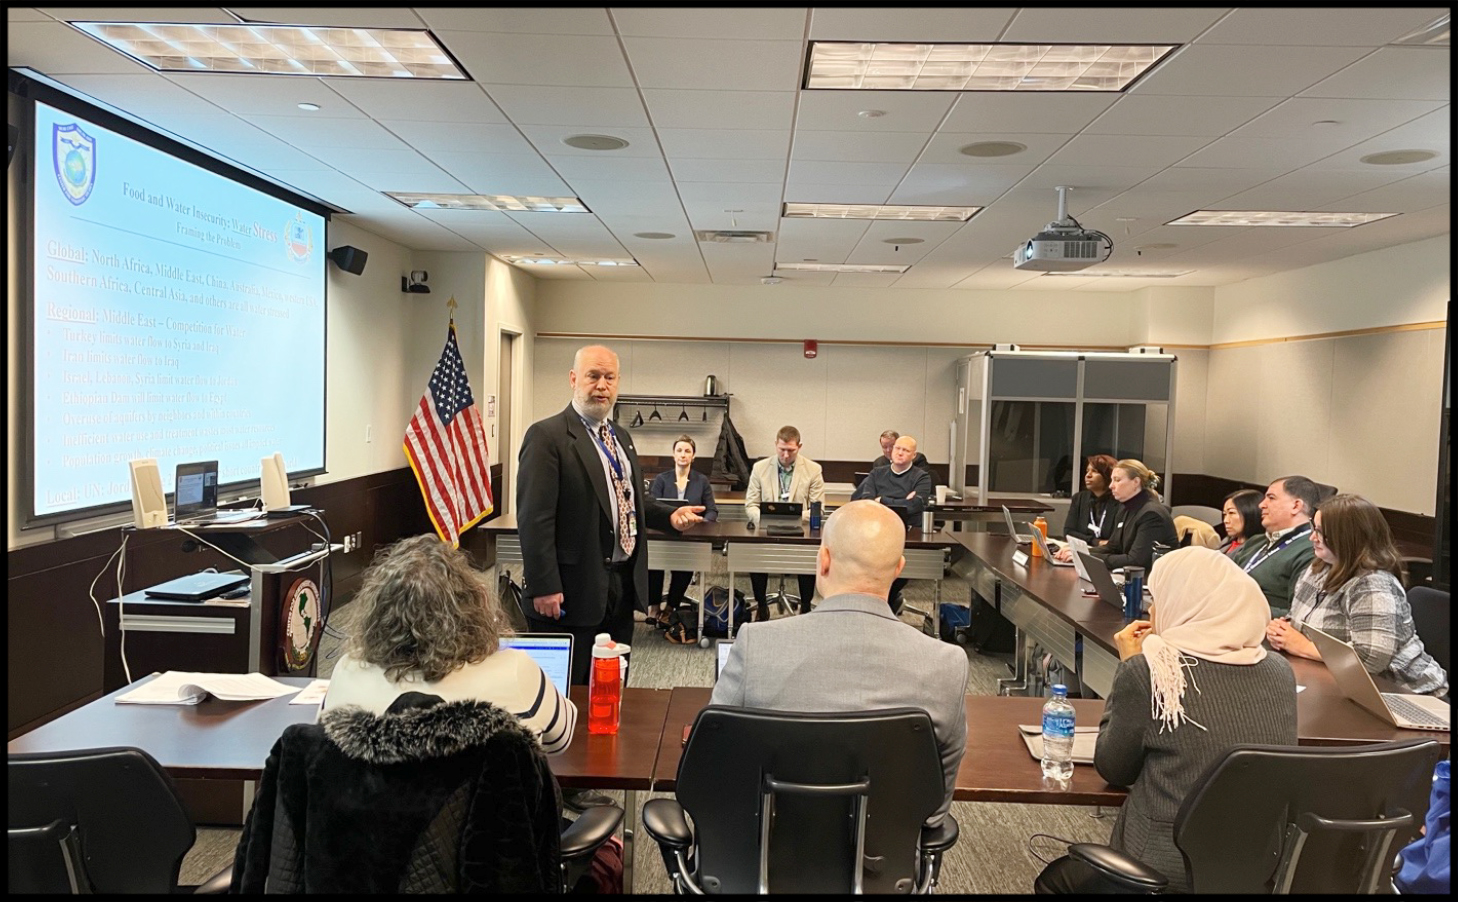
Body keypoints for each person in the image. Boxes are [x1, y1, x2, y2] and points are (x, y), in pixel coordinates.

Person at [1034, 547, 1298, 894]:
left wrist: (1130, 665)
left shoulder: (1151, 672)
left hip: (1159, 869)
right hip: (1253, 868)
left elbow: (1114, 768)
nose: (1152, 609)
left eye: (1157, 599)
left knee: (1055, 881)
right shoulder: (1280, 671)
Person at [711, 500, 969, 828]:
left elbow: (714, 766)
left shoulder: (755, 644)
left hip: (759, 861)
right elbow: (934, 810)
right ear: (898, 568)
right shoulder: (947, 664)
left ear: (824, 559)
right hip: (882, 870)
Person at [516, 345, 704, 686]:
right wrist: (544, 585)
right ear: (574, 379)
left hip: (620, 585)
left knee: (613, 685)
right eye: (593, 376)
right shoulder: (547, 437)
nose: (602, 385)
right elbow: (534, 518)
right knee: (569, 691)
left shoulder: (621, 438)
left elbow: (631, 501)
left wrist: (670, 518)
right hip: (569, 591)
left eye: (609, 377)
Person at [323, 534, 577, 755]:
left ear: (376, 613)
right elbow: (560, 742)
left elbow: (328, 751)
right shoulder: (518, 670)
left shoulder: (347, 671)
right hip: (491, 810)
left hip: (375, 810)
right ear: (473, 606)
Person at [1267, 494, 1448, 697]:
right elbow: (1302, 623)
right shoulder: (1318, 568)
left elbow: (1370, 660)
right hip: (1345, 682)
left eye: (1320, 532)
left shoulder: (1372, 584)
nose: (1312, 538)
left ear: (1346, 536)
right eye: (1313, 528)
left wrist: (1301, 646)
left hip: (1404, 693)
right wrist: (1283, 632)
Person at [744, 425, 825, 621]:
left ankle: (805, 606)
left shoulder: (813, 470)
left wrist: (792, 519)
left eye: (791, 450)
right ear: (775, 445)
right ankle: (762, 605)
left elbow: (818, 508)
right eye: (782, 449)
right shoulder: (760, 468)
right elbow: (751, 504)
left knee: (808, 557)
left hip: (800, 530)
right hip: (766, 529)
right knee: (756, 554)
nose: (786, 454)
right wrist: (764, 519)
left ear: (800, 446)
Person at [852, 434, 933, 614]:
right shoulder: (877, 473)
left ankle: (888, 601)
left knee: (900, 571)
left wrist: (883, 499)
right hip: (876, 532)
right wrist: (902, 500)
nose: (900, 453)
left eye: (906, 450)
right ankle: (882, 604)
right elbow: (867, 500)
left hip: (908, 534)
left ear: (914, 455)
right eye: (897, 448)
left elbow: (916, 505)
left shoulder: (922, 477)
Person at [647, 435, 719, 627]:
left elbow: (712, 510)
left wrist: (701, 521)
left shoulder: (701, 481)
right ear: (673, 454)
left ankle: (671, 607)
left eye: (687, 451)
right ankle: (654, 608)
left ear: (693, 456)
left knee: (684, 566)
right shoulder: (661, 479)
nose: (683, 454)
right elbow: (653, 507)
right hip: (662, 535)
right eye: (679, 450)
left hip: (689, 536)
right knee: (653, 566)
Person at [1054, 459, 1175, 571]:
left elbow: (1136, 560)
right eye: (1112, 480)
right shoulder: (1125, 508)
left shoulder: (1151, 514)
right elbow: (1113, 547)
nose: (1111, 485)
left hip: (1149, 581)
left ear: (1136, 482)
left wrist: (1084, 557)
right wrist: (1080, 552)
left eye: (1117, 480)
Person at [1231, 475, 1320, 617]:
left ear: (1296, 506)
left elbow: (1297, 616)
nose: (1261, 505)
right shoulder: (1256, 542)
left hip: (1258, 629)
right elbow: (1218, 572)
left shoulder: (1312, 550)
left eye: (1271, 498)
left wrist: (1237, 606)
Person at [1062, 454, 1120, 545]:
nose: (1088, 475)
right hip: (1083, 550)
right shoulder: (1080, 498)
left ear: (1108, 475)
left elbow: (1117, 539)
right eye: (1087, 471)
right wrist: (1096, 542)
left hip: (1108, 554)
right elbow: (1068, 532)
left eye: (1095, 471)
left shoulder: (1119, 501)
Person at [869, 429, 938, 490]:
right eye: (884, 447)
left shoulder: (918, 459)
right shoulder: (878, 463)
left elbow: (920, 482)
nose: (888, 450)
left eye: (892, 446)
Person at [1220, 488, 1264, 558]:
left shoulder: (1259, 548)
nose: (1226, 520)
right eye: (1225, 514)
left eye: (1231, 513)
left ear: (1251, 514)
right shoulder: (1226, 541)